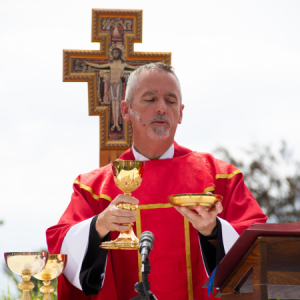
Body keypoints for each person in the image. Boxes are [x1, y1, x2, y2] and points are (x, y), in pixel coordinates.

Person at [46, 63, 267, 300]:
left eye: (170, 101)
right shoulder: (94, 187)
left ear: (181, 113)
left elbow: (258, 244)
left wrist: (214, 232)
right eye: (150, 99)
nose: (161, 108)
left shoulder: (219, 178)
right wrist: (99, 225)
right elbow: (60, 247)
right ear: (126, 110)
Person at [85, 48, 139, 132]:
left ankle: (117, 123)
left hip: (118, 85)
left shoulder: (123, 64)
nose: (115, 54)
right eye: (113, 53)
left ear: (120, 53)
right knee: (113, 104)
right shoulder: (110, 64)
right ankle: (114, 123)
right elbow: (99, 66)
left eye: (116, 52)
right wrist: (88, 63)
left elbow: (135, 67)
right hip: (111, 85)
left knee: (117, 105)